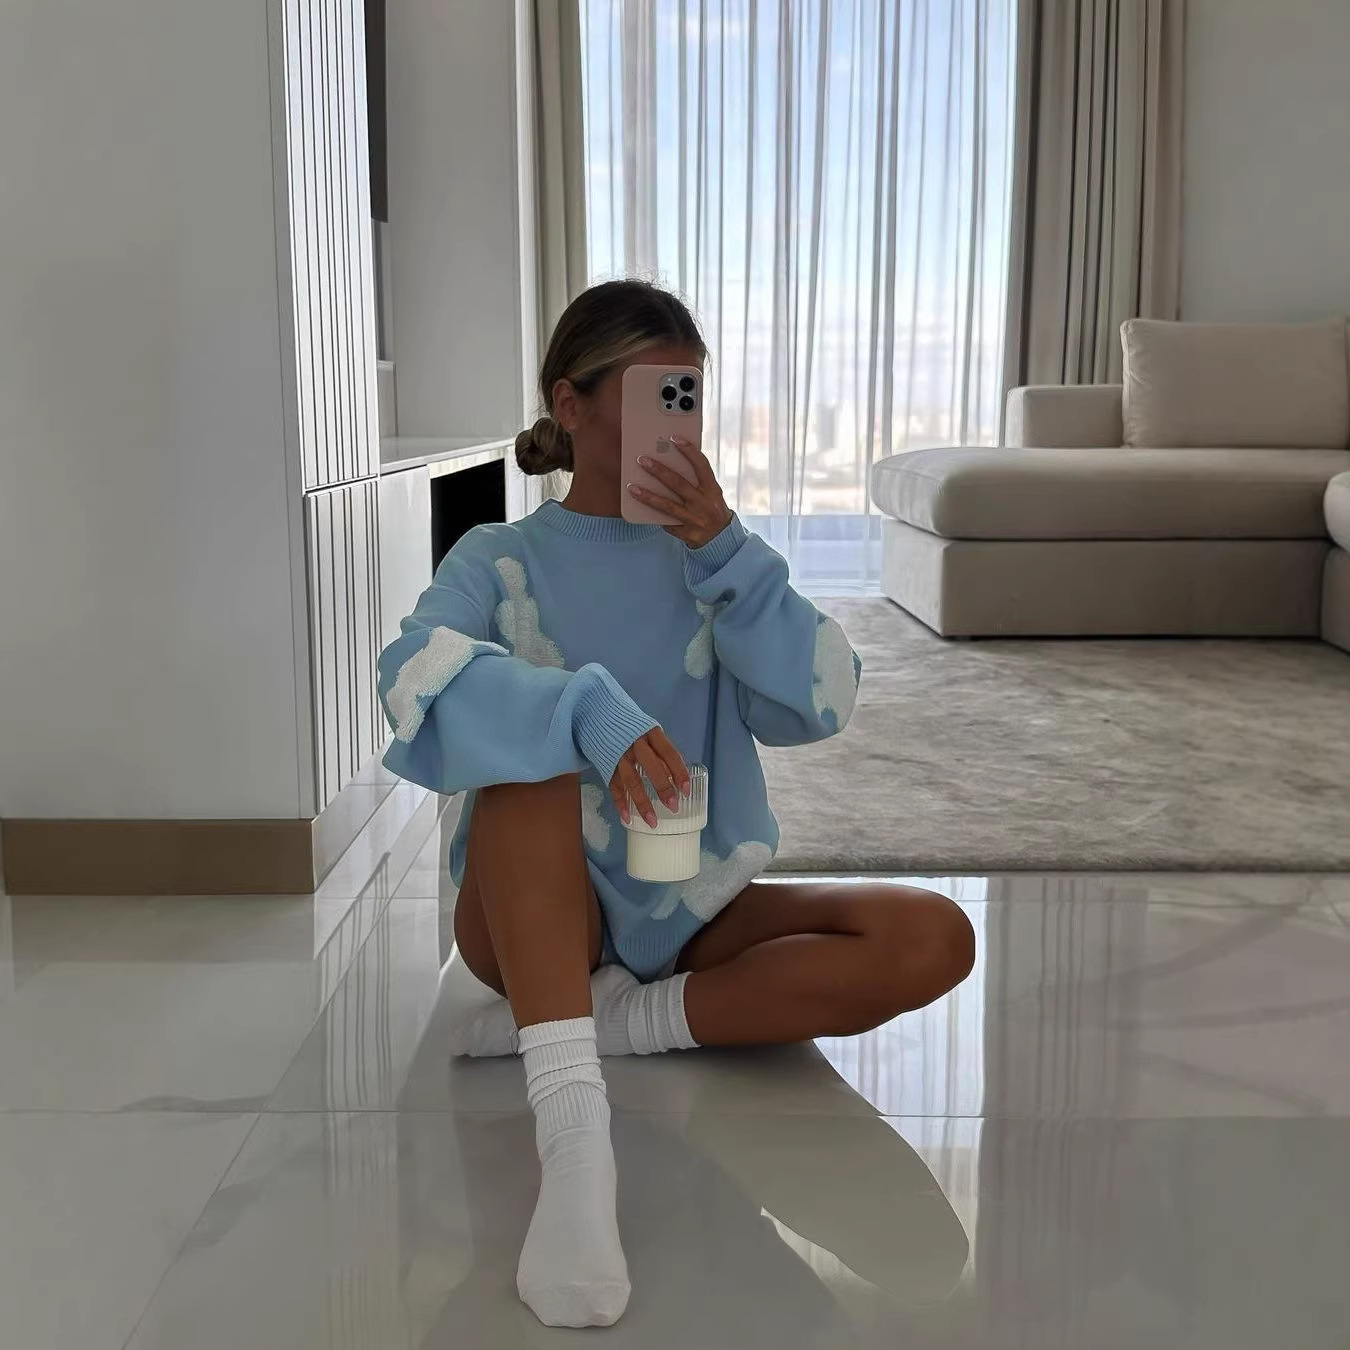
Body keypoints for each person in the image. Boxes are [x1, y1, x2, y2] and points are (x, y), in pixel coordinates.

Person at [376, 279, 975, 1329]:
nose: (681, 422)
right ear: (571, 405)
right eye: (658, 393)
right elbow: (411, 674)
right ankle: (574, 1137)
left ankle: (622, 1022)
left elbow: (823, 699)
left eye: (689, 394)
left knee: (932, 937)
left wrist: (730, 553)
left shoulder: (714, 565)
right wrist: (585, 711)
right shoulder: (498, 560)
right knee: (529, 770)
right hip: (531, 920)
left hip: (687, 906)